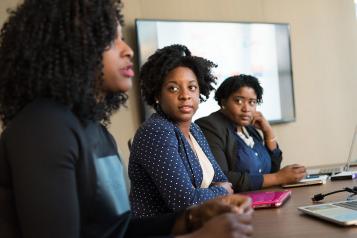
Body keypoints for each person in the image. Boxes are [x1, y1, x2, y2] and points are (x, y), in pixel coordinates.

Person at [0, 1, 254, 237]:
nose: (128, 50)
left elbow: (118, 229)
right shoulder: (43, 127)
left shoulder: (97, 132)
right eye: (110, 40)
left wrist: (192, 218)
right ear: (66, 48)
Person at [129, 44, 234, 218]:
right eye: (173, 88)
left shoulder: (194, 129)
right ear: (157, 94)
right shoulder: (156, 131)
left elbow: (220, 178)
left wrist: (219, 188)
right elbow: (185, 202)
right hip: (161, 231)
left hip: (198, 225)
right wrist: (221, 191)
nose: (185, 95)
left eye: (192, 87)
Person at [196, 75, 306, 192]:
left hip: (265, 198)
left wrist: (268, 132)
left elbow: (272, 169)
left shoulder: (249, 128)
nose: (246, 108)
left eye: (252, 102)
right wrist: (277, 178)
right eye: (238, 101)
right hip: (237, 204)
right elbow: (221, 177)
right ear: (223, 101)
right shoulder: (209, 126)